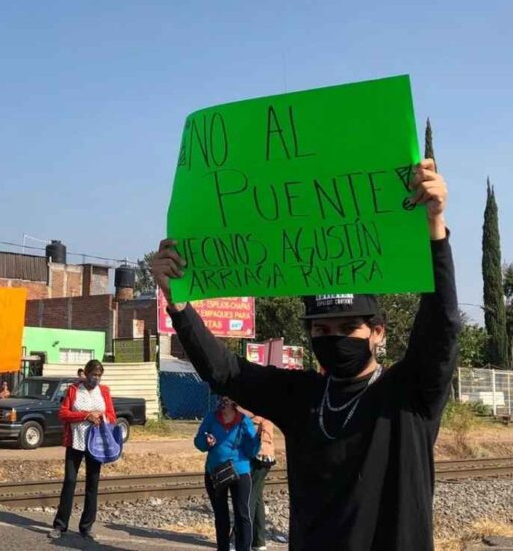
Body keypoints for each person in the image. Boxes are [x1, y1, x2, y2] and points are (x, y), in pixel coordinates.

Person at [151, 159, 458, 550]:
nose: (334, 339)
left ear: (377, 332)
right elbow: (224, 371)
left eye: (349, 329)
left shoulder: (410, 394)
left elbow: (442, 325)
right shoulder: (302, 396)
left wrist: (435, 228)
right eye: (322, 330)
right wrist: (178, 305)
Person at [49, 359, 116, 542]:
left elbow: (112, 416)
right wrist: (85, 415)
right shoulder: (73, 390)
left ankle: (86, 526)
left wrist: (100, 417)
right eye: (93, 375)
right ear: (86, 374)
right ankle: (60, 525)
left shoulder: (104, 391)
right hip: (75, 441)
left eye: (99, 376)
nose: (96, 379)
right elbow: (63, 413)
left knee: (92, 484)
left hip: (96, 443)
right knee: (70, 481)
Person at [194, 397, 259, 551]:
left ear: (234, 403)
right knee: (221, 515)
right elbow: (198, 442)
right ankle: (223, 547)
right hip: (215, 472)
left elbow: (252, 451)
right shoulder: (211, 417)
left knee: (242, 514)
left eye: (226, 400)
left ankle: (243, 548)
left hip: (240, 471)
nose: (222, 403)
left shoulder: (243, 421)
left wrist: (255, 439)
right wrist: (205, 440)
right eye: (221, 399)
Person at [240, 410, 276, 551]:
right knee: (257, 498)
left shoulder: (248, 412)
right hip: (266, 457)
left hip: (256, 457)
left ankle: (239, 538)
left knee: (247, 496)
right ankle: (258, 541)